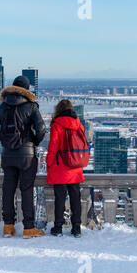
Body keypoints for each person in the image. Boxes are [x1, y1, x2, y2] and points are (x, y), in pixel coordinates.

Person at [0, 76, 46, 238]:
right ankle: (29, 228)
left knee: (8, 190)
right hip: (27, 155)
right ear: (27, 90)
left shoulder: (2, 107)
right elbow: (41, 129)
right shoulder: (31, 107)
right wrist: (33, 141)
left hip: (8, 155)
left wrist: (3, 138)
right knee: (26, 190)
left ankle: (8, 226)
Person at [46, 99, 86, 238]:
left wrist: (49, 162)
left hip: (60, 167)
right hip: (75, 166)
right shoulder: (79, 124)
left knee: (60, 198)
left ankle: (58, 227)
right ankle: (76, 228)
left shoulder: (57, 125)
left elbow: (53, 146)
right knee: (75, 198)